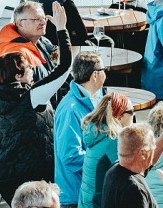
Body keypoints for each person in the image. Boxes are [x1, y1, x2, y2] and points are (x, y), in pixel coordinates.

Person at [0, 2, 71, 203]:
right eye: (28, 68)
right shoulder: (31, 98)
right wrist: (61, 29)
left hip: (6, 177)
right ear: (18, 76)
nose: (32, 70)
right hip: (32, 178)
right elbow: (64, 67)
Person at [55, 50, 107, 208]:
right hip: (74, 196)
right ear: (95, 76)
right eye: (104, 70)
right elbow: (70, 156)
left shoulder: (92, 98)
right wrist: (105, 162)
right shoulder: (70, 110)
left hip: (87, 192)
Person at [101, 121, 163, 208]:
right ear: (143, 153)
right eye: (153, 146)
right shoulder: (135, 191)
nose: (154, 149)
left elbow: (149, 158)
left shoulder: (113, 170)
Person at [79, 92, 134, 208]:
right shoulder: (114, 141)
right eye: (131, 112)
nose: (133, 116)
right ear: (119, 116)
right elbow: (131, 176)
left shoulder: (97, 133)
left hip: (86, 202)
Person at [0, 1, 61, 81]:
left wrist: (54, 64)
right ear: (20, 24)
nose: (43, 22)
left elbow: (55, 52)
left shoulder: (41, 40)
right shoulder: (15, 54)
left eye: (44, 18)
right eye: (36, 19)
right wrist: (61, 29)